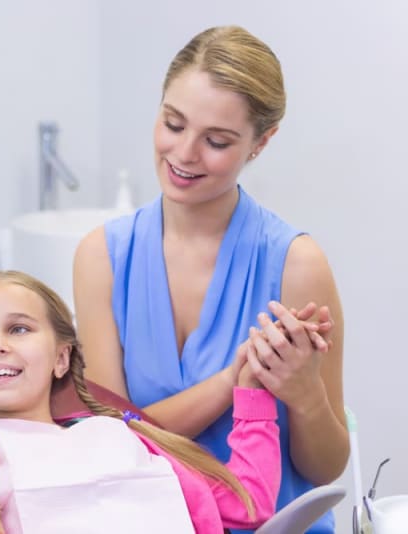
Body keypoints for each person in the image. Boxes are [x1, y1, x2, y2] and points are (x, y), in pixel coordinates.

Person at [72, 25, 347, 533]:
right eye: (173, 124)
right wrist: (228, 383)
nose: (185, 154)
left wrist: (305, 394)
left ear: (261, 143)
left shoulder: (295, 264)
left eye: (217, 141)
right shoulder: (101, 258)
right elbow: (109, 441)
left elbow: (326, 469)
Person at [0, 270, 309, 533]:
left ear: (61, 357)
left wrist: (251, 387)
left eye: (18, 328)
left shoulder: (124, 436)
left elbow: (248, 503)